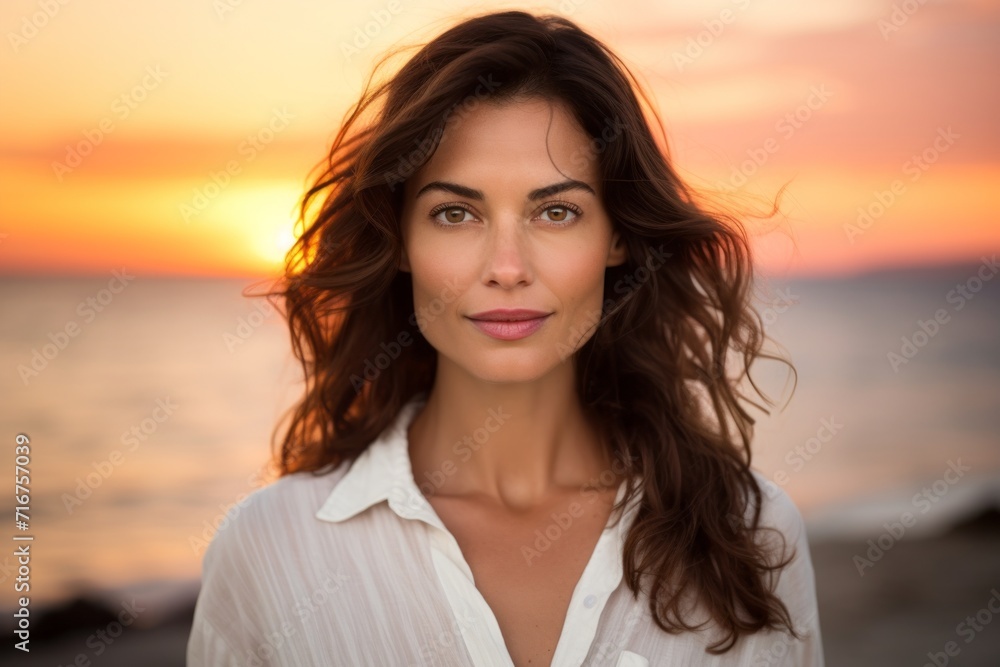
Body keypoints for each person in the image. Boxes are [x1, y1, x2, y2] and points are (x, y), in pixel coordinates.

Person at [187, 9, 823, 666]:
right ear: (401, 239)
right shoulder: (268, 548)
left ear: (618, 235)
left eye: (556, 211)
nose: (508, 267)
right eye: (455, 213)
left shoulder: (751, 535)